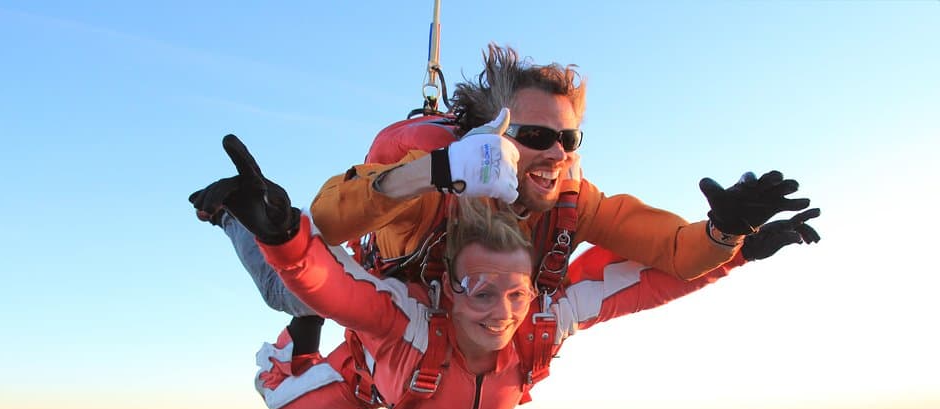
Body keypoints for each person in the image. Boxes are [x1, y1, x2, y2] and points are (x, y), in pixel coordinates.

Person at [209, 135, 819, 409]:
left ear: (534, 291)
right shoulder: (406, 323)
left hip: (401, 389)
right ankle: (272, 290)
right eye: (480, 290)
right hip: (370, 378)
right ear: (446, 292)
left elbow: (643, 283)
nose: (502, 312)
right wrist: (280, 231)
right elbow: (330, 281)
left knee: (301, 295)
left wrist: (736, 244)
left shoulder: (544, 318)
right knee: (280, 394)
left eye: (516, 293)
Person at [307, 43, 811, 286]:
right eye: (535, 137)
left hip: (481, 335)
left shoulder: (571, 199)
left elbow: (673, 252)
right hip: (389, 306)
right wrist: (435, 171)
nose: (557, 154)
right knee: (287, 280)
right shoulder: (436, 184)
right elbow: (331, 220)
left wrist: (727, 232)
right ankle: (231, 215)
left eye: (569, 138)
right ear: (491, 135)